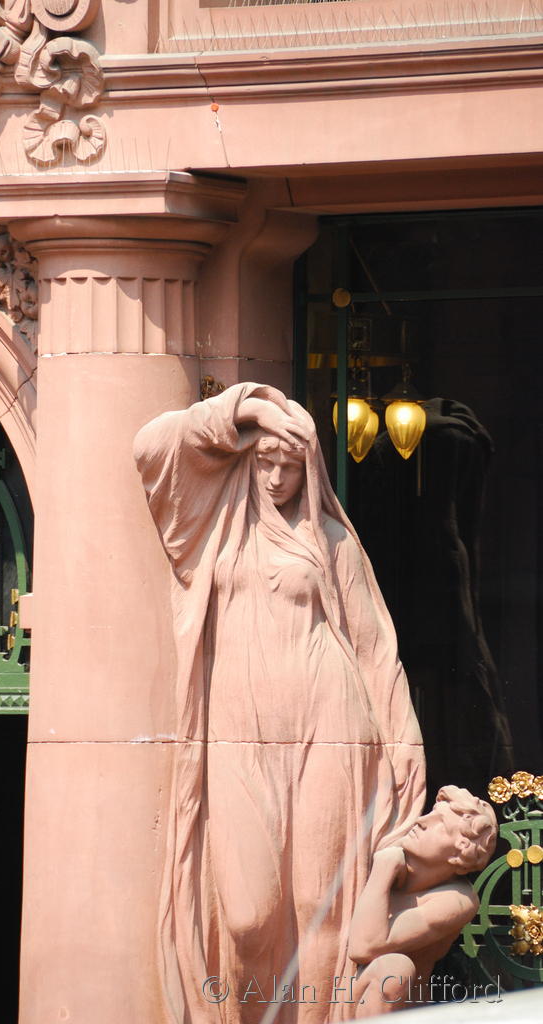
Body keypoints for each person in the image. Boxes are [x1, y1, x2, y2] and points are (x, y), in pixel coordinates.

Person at [134, 383, 426, 1024]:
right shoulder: (211, 528)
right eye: (264, 461)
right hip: (238, 731)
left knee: (322, 906)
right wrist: (250, 407)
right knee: (246, 918)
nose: (274, 478)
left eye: (289, 466)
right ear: (246, 455)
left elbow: (375, 649)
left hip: (330, 721)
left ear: (309, 468)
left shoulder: (332, 541)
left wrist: (404, 738)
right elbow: (151, 446)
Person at [348, 786, 497, 1017]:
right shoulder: (389, 846)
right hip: (344, 992)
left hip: (402, 1011)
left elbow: (364, 947)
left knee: (394, 969)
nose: (421, 820)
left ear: (461, 850)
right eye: (432, 812)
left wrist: (383, 869)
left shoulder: (458, 900)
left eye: (440, 823)